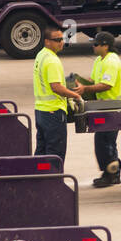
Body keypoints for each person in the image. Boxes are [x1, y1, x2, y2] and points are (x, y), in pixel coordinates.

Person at [74, 31, 121, 188]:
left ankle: (113, 173)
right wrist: (80, 83)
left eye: (96, 44)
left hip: (114, 106)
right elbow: (94, 80)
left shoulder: (111, 61)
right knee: (103, 140)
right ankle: (109, 172)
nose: (93, 46)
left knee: (106, 140)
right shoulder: (99, 60)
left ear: (106, 46)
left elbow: (106, 85)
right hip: (103, 106)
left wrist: (85, 89)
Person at [34, 27, 83, 161]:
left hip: (41, 110)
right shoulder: (52, 60)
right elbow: (56, 87)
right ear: (47, 42)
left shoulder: (41, 55)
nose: (61, 42)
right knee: (55, 152)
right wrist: (76, 95)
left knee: (41, 150)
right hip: (53, 112)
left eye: (62, 39)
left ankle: (38, 178)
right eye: (57, 40)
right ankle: (53, 178)